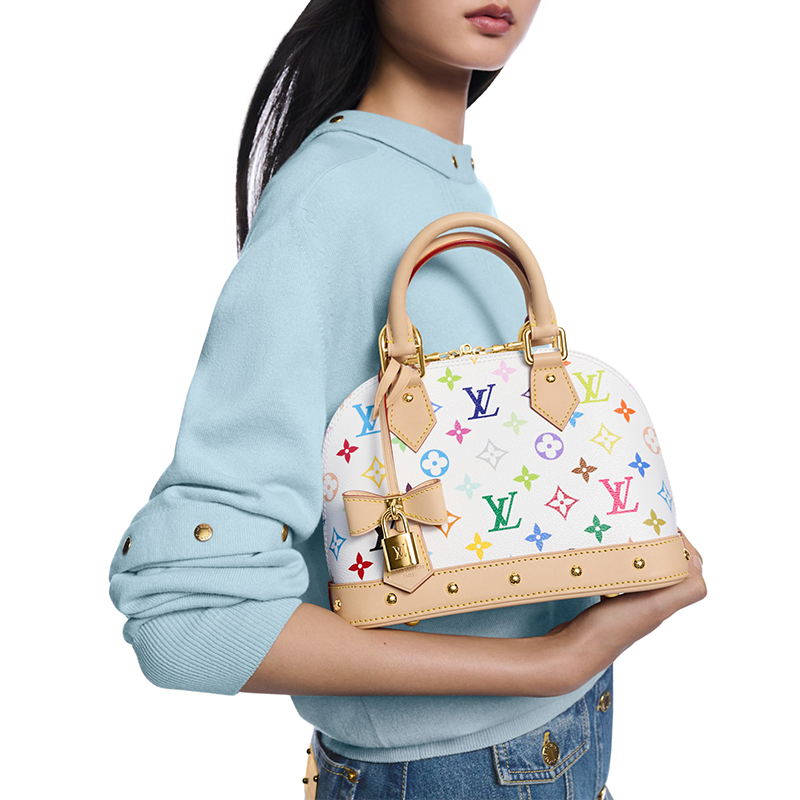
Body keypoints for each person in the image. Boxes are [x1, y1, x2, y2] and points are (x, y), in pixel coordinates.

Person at [108, 1, 707, 797]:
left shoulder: (428, 178)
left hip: (545, 747)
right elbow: (187, 619)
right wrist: (548, 662)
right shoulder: (334, 200)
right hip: (452, 770)